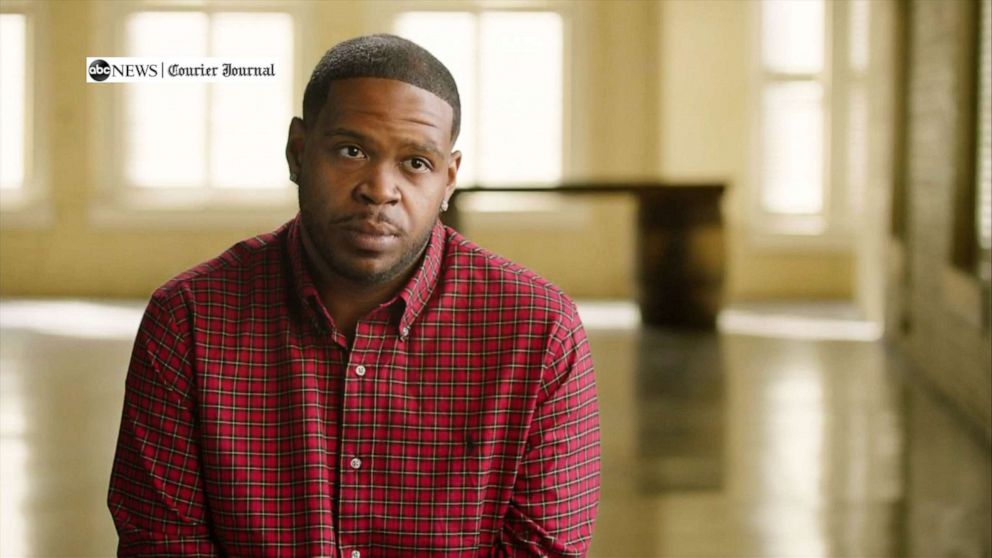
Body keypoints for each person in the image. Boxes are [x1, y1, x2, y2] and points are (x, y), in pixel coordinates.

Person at [108, 34, 600, 557]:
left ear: (449, 179)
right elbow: (164, 544)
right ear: (298, 152)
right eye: (352, 151)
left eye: (416, 163)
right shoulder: (189, 318)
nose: (380, 188)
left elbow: (542, 551)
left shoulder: (538, 329)